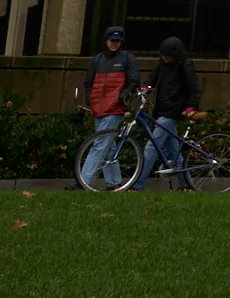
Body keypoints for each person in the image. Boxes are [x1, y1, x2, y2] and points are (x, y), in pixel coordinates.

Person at [129, 34, 202, 190]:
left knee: (152, 147)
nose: (164, 58)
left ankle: (137, 184)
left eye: (167, 56)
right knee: (173, 150)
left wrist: (192, 106)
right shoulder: (163, 63)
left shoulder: (186, 66)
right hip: (161, 109)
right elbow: (153, 77)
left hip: (173, 111)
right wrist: (145, 87)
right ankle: (185, 185)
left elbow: (194, 88)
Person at [77, 27, 141, 187]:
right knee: (108, 146)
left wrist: (122, 97)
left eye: (117, 41)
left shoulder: (127, 58)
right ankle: (114, 182)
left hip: (114, 108)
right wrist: (90, 98)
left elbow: (134, 82)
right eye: (112, 40)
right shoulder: (97, 60)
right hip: (99, 108)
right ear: (106, 40)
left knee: (100, 144)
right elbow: (88, 82)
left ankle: (83, 181)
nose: (114, 44)